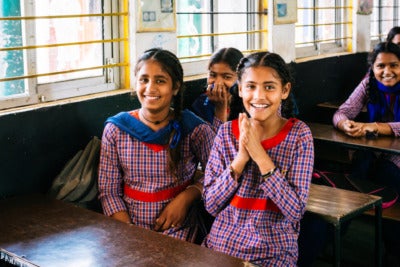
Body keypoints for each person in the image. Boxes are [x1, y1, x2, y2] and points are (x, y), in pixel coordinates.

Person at [202, 51, 314, 266]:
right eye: (251, 86)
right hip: (223, 244)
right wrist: (242, 158)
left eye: (269, 87)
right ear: (241, 90)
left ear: (285, 90)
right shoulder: (226, 133)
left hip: (274, 249)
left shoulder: (299, 135)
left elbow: (295, 211)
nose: (259, 96)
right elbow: (211, 205)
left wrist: (259, 155)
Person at [98, 48, 216, 242]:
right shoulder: (116, 129)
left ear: (175, 87)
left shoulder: (195, 130)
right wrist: (129, 232)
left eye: (160, 81)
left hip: (180, 228)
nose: (150, 88)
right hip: (127, 228)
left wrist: (188, 197)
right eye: (144, 79)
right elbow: (108, 191)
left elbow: (218, 177)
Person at [333, 41, 400, 265]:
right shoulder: (369, 84)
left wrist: (379, 127)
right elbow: (342, 111)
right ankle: (339, 233)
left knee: (388, 179)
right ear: (372, 68)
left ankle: (393, 248)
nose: (387, 72)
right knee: (354, 178)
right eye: (381, 66)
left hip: (395, 160)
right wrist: (345, 125)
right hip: (372, 153)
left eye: (394, 65)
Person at [191, 47, 244, 131]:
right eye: (213, 75)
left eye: (227, 77)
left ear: (240, 79)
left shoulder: (247, 104)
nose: (218, 83)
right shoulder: (201, 104)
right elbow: (214, 142)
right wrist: (220, 109)